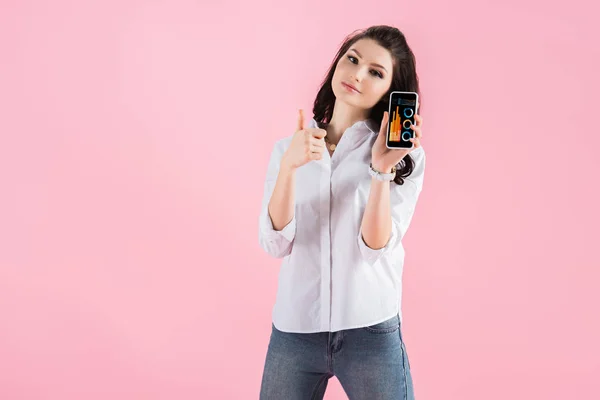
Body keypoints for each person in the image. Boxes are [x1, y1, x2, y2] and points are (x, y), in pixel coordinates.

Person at [258, 25, 425, 400]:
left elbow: (374, 248)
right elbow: (275, 243)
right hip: (295, 328)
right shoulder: (290, 147)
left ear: (392, 91)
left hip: (369, 330)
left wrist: (381, 169)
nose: (357, 74)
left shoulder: (405, 158)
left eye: (376, 72)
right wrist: (289, 168)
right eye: (352, 59)